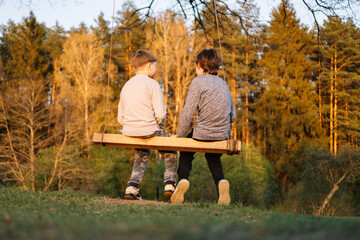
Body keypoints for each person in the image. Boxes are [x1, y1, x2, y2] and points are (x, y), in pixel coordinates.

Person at [170, 48, 236, 205]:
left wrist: (180, 135)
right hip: (221, 134)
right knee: (212, 155)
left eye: (196, 65)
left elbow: (187, 112)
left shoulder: (197, 82)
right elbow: (233, 116)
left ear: (200, 65)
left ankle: (183, 181)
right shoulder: (224, 84)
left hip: (202, 132)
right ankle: (221, 183)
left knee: (186, 151)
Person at [117, 50, 177, 200]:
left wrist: (131, 125)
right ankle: (170, 184)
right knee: (170, 150)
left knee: (142, 152)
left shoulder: (127, 85)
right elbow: (161, 114)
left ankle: (132, 187)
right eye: (155, 66)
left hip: (129, 130)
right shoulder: (152, 84)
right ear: (150, 66)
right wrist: (159, 126)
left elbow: (120, 117)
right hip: (149, 129)